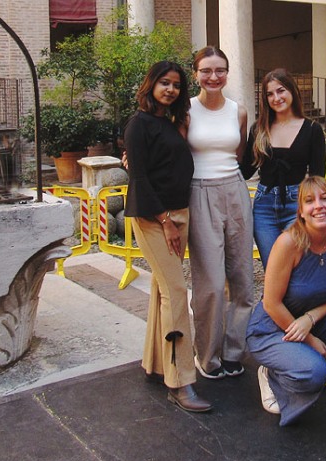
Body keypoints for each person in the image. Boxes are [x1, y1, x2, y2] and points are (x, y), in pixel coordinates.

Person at [245, 176, 326, 426]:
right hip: (271, 329)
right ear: (301, 212)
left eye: (325, 199)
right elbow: (271, 303)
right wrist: (309, 338)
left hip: (311, 322)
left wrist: (309, 320)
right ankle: (272, 374)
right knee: (315, 372)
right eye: (309, 201)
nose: (319, 206)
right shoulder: (288, 242)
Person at [124, 61, 211, 412]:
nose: (171, 89)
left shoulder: (173, 123)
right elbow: (139, 178)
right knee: (176, 293)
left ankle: (155, 363)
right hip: (154, 217)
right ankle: (181, 381)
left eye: (176, 84)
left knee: (163, 289)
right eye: (164, 83)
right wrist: (166, 221)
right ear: (151, 85)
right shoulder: (139, 124)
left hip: (179, 212)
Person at [187, 46, 256, 381]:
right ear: (195, 74)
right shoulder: (185, 111)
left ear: (228, 73)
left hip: (234, 190)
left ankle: (233, 351)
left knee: (243, 280)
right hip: (199, 192)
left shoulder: (238, 111)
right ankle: (207, 353)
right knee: (211, 284)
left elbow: (240, 153)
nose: (213, 77)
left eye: (220, 70)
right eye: (206, 71)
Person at [241, 68, 326, 268]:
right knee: (271, 267)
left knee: (296, 265)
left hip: (297, 204)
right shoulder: (259, 129)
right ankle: (271, 300)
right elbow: (245, 170)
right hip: (264, 205)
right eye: (270, 94)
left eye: (281, 91)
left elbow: (317, 176)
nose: (276, 98)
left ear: (292, 91)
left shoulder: (312, 130)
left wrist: (313, 209)